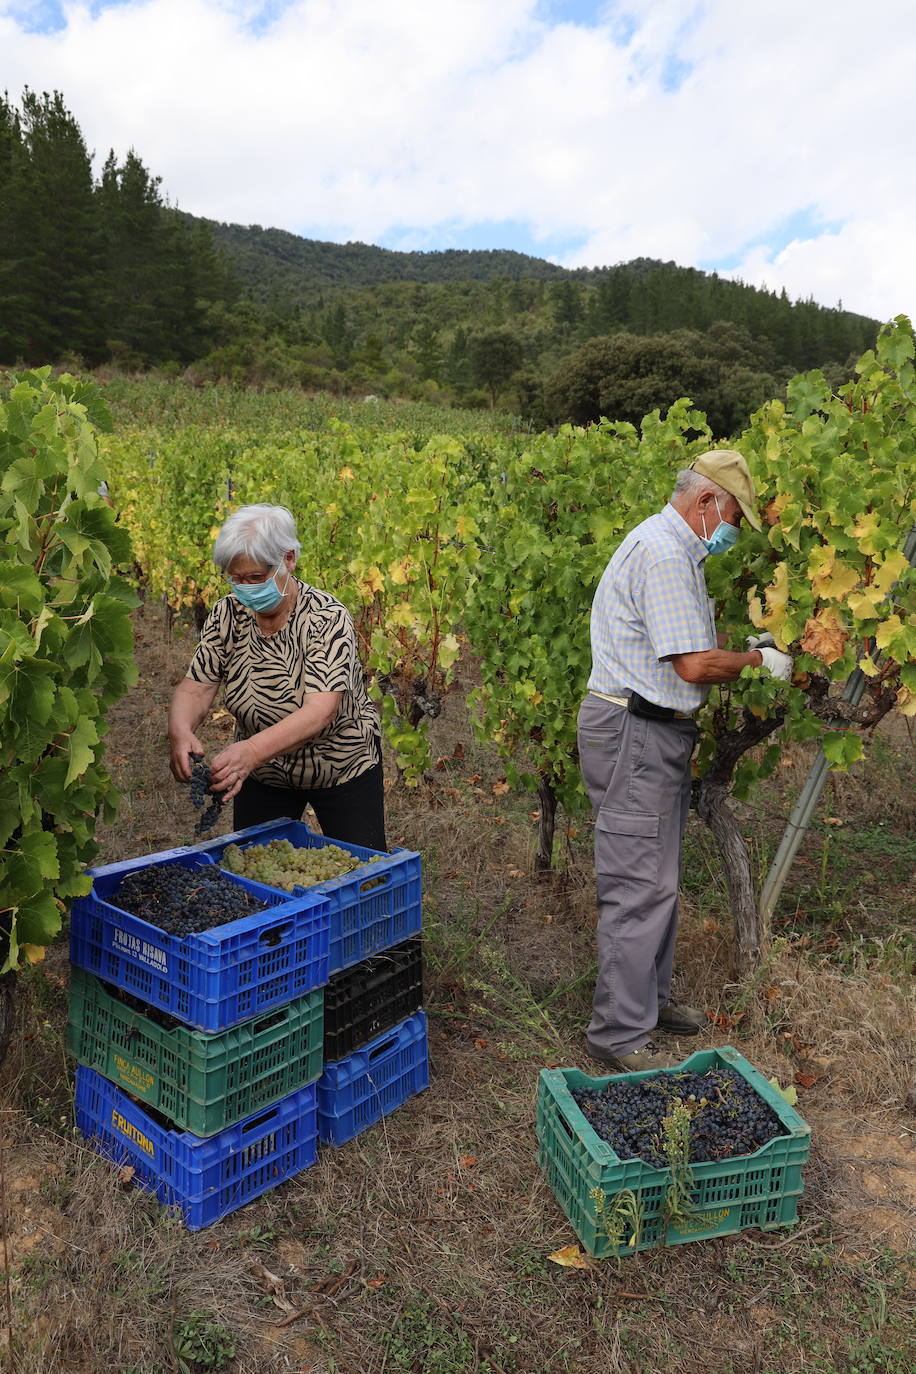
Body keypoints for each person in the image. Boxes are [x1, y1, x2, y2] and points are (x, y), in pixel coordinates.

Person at [577, 451, 792, 1072]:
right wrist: (758, 664)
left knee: (659, 881)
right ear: (706, 503)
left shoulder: (676, 549)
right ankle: (617, 1035)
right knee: (639, 886)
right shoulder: (668, 554)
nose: (733, 532)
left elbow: (684, 648)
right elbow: (693, 665)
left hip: (656, 733)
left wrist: (741, 649)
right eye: (732, 517)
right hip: (634, 734)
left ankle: (646, 1003)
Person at [168, 503, 386, 851]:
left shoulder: (326, 618)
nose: (245, 590)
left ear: (288, 559)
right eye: (235, 578)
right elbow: (197, 687)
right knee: (259, 870)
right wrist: (179, 731)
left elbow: (320, 711)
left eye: (255, 578)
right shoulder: (228, 614)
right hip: (263, 774)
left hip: (339, 767)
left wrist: (251, 751)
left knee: (360, 876)